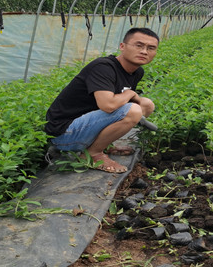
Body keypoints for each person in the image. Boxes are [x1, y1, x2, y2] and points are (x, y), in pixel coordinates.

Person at [44, 27, 159, 173]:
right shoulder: (103, 67)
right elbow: (108, 105)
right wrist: (130, 93)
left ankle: (101, 144)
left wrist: (132, 96)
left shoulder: (137, 72)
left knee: (146, 105)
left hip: (85, 126)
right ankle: (93, 154)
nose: (144, 51)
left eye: (151, 48)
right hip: (64, 133)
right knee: (133, 110)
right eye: (139, 45)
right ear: (122, 46)